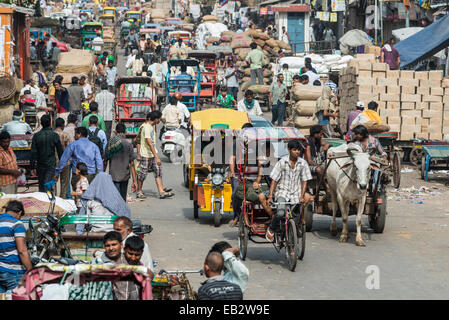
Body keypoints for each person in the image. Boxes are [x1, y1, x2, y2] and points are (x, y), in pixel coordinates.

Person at [266, 140, 313, 242]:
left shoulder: (303, 163)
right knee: (280, 213)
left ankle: (294, 229)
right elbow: (274, 180)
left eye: (298, 150)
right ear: (289, 150)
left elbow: (305, 180)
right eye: (294, 150)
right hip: (282, 192)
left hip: (296, 193)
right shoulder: (282, 162)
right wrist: (270, 196)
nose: (297, 152)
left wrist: (302, 194)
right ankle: (272, 228)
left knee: (297, 213)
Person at [136, 110, 174, 199]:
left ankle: (161, 191)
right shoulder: (146, 127)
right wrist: (157, 157)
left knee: (158, 172)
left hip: (153, 154)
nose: (160, 120)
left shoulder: (152, 127)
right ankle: (139, 191)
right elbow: (149, 143)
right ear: (156, 119)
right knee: (142, 174)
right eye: (159, 118)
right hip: (146, 155)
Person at [54, 126, 103, 191]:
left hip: (78, 175)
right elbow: (99, 162)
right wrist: (100, 175)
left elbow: (64, 159)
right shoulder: (94, 146)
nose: (74, 136)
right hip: (91, 175)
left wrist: (57, 172)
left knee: (77, 195)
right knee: (89, 196)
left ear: (79, 134)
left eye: (75, 134)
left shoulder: (73, 145)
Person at [0, 200, 32, 294]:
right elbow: (22, 250)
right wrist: (30, 270)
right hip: (13, 272)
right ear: (19, 213)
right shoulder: (17, 224)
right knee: (17, 296)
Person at [30, 115, 63, 192]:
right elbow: (60, 152)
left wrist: (32, 167)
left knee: (41, 186)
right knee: (48, 185)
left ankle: (44, 200)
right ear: (50, 123)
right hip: (50, 164)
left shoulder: (36, 136)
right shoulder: (54, 135)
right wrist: (60, 167)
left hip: (40, 164)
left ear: (41, 123)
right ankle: (48, 201)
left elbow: (33, 152)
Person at [107, 123, 137, 201]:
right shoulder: (129, 144)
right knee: (122, 198)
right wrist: (135, 181)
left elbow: (105, 160)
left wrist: (102, 174)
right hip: (125, 175)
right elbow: (132, 164)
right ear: (125, 132)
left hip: (113, 175)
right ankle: (122, 212)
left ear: (116, 132)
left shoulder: (111, 143)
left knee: (115, 197)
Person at [53, 117, 72, 199]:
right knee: (64, 183)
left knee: (53, 182)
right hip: (65, 162)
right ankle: (62, 199)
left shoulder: (52, 134)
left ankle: (53, 198)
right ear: (62, 125)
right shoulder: (66, 135)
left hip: (54, 161)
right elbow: (70, 149)